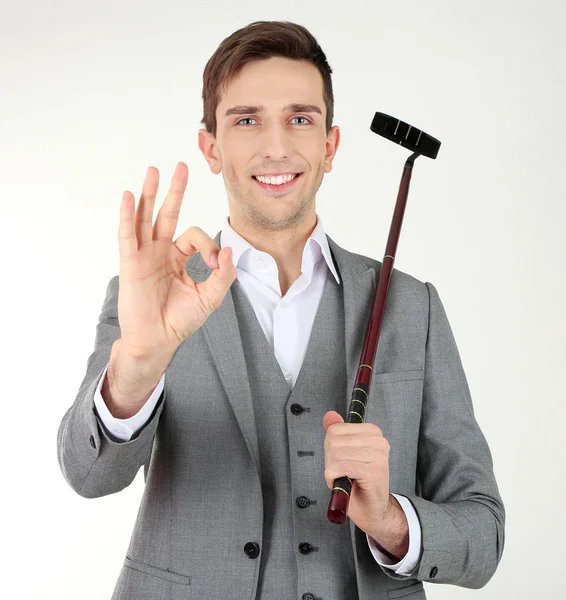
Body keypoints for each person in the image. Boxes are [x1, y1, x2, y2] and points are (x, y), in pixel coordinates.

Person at [57, 20, 505, 600]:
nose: (276, 146)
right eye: (247, 120)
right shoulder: (152, 291)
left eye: (300, 118)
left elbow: (483, 534)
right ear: (211, 149)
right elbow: (88, 474)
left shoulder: (411, 306)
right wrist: (139, 364)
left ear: (330, 145)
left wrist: (392, 519)